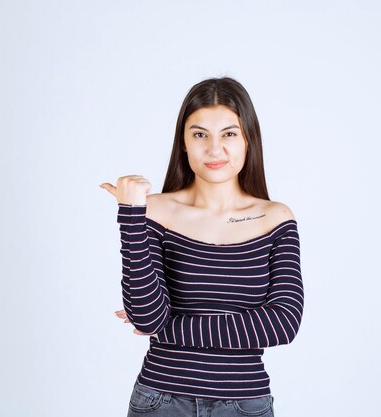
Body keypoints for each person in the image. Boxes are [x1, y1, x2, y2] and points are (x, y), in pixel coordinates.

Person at [100, 77, 304, 417]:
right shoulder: (153, 211)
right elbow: (148, 316)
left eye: (229, 134)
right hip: (161, 400)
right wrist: (132, 214)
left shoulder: (275, 219)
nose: (214, 149)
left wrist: (170, 327)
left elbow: (282, 324)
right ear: (183, 142)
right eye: (199, 135)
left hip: (244, 404)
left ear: (248, 139)